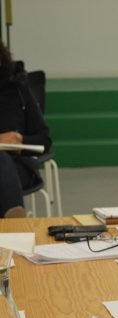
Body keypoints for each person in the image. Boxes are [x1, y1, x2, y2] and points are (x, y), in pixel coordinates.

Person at [0, 41, 52, 218]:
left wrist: (20, 140)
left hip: (13, 167)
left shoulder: (18, 90)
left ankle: (14, 225)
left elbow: (44, 140)